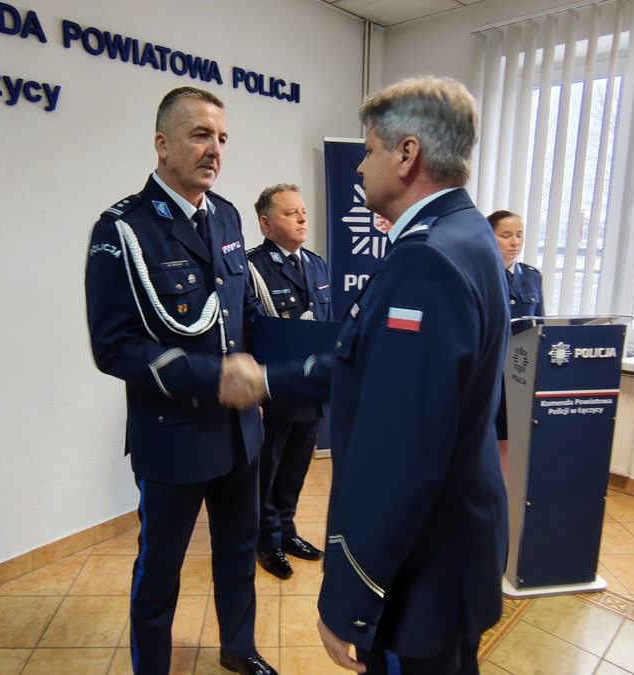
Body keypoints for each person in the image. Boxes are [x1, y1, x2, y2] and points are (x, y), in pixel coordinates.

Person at [222, 76, 510, 675]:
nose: (358, 167)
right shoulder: (468, 234)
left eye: (370, 149)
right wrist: (269, 380)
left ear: (407, 154)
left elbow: (400, 455)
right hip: (455, 547)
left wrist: (351, 602)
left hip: (418, 574)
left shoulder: (426, 259)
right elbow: (369, 360)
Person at [84, 87, 277, 675]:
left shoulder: (227, 216)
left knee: (238, 551)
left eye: (222, 138)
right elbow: (114, 346)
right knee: (160, 570)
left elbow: (242, 314)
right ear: (162, 144)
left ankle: (239, 648)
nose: (214, 149)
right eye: (200, 135)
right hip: (173, 433)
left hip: (239, 431)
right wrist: (216, 376)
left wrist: (281, 368)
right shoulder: (123, 229)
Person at [245, 183, 332, 580]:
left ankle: (287, 530)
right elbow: (246, 332)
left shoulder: (316, 264)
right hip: (273, 389)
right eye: (290, 213)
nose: (301, 218)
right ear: (266, 224)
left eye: (303, 211)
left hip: (309, 387)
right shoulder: (251, 267)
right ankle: (265, 540)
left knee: (296, 467)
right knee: (267, 470)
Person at [488, 210, 543, 482]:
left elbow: (540, 325)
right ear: (490, 236)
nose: (515, 242)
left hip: (518, 372)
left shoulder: (532, 277)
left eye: (519, 235)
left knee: (509, 439)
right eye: (506, 235)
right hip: (487, 369)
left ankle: (505, 497)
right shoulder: (480, 274)